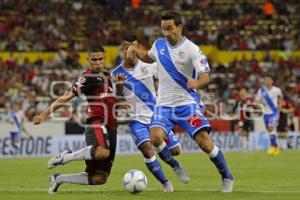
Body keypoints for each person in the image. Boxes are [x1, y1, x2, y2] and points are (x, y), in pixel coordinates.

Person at [127, 11, 234, 192]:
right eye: (164, 29)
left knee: (205, 143)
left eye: (170, 29)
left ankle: (227, 176)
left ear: (180, 27)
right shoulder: (159, 44)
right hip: (164, 106)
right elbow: (148, 57)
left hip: (186, 105)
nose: (167, 33)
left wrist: (197, 83)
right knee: (155, 137)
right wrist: (135, 50)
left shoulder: (192, 49)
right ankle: (175, 165)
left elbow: (205, 77)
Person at [33, 45, 117, 194]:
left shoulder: (108, 77)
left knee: (100, 178)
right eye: (94, 59)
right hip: (97, 122)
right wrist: (44, 114)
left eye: (100, 59)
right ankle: (65, 157)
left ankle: (59, 179)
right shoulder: (88, 77)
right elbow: (67, 96)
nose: (98, 62)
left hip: (112, 127)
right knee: (102, 152)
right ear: (88, 60)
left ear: (105, 58)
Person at [111, 34, 189, 192]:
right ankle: (166, 184)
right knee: (147, 149)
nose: (130, 51)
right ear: (123, 50)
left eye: (133, 47)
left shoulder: (150, 66)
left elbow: (168, 78)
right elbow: (117, 100)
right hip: (135, 119)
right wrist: (119, 87)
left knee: (175, 151)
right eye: (127, 48)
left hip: (156, 115)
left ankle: (174, 165)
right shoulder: (116, 73)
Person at [255, 75, 283, 155]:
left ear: (272, 81)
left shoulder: (277, 90)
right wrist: (257, 104)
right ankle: (276, 146)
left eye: (268, 80)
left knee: (271, 127)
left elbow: (281, 98)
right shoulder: (261, 90)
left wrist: (280, 105)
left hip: (274, 112)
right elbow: (257, 100)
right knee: (269, 130)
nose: (267, 81)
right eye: (265, 80)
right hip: (265, 112)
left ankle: (271, 147)